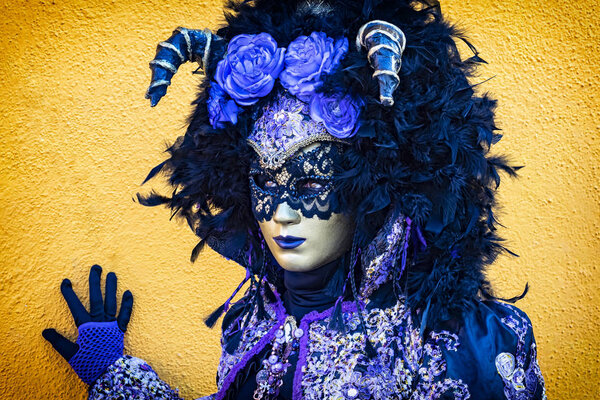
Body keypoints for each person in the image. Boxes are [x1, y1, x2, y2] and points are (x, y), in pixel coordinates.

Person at [42, 0, 547, 398]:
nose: (281, 214)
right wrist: (116, 375)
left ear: (372, 187)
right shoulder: (252, 327)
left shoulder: (466, 344)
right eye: (264, 181)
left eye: (310, 184)